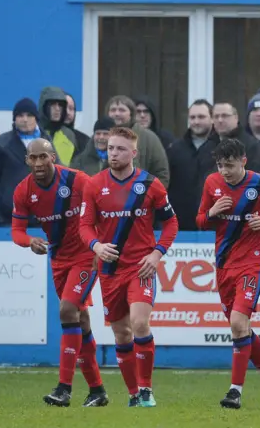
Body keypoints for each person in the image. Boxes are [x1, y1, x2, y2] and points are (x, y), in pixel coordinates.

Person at [79, 127, 179, 407]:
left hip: (141, 267)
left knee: (139, 323)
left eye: (120, 149)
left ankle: (146, 390)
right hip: (110, 270)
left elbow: (171, 223)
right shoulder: (95, 185)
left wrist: (157, 254)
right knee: (121, 333)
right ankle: (134, 393)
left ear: (133, 153)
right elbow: (85, 225)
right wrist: (97, 247)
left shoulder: (150, 184)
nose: (114, 153)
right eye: (110, 148)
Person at [196, 138, 260, 409]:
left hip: (253, 262)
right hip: (224, 264)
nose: (224, 171)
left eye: (230, 165)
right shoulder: (211, 184)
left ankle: (235, 391)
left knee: (238, 322)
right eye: (220, 165)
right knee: (241, 327)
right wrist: (213, 212)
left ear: (243, 161)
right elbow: (201, 221)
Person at [10, 138, 107, 407]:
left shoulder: (78, 181)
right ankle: (97, 391)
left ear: (53, 157)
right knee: (81, 321)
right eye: (33, 158)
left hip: (86, 256)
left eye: (44, 157)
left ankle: (64, 389)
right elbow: (16, 231)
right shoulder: (22, 191)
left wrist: (100, 246)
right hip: (59, 259)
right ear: (27, 160)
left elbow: (104, 211)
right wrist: (30, 241)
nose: (39, 163)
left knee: (66, 311)